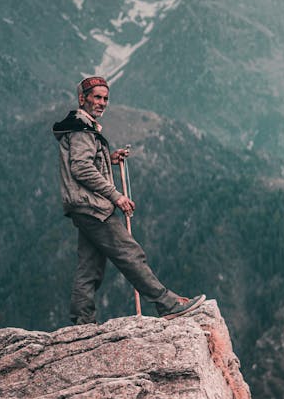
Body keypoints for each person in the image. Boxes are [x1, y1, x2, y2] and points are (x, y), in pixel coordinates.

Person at [53, 75, 205, 325]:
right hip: (93, 208)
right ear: (83, 99)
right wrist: (116, 196)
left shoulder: (81, 126)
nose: (102, 103)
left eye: (105, 98)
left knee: (89, 266)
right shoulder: (81, 128)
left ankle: (82, 321)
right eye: (97, 97)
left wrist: (108, 158)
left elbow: (85, 162)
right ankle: (166, 304)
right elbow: (80, 168)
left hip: (82, 207)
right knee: (130, 253)